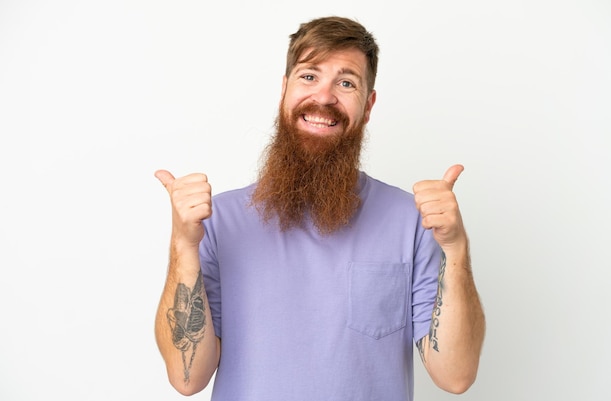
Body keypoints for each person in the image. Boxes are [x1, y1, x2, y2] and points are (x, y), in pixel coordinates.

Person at [154, 16, 485, 400]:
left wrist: (456, 246)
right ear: (284, 90)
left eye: (346, 83)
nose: (324, 97)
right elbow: (186, 379)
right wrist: (183, 245)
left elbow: (456, 377)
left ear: (369, 104)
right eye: (309, 76)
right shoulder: (215, 221)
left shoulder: (412, 220)